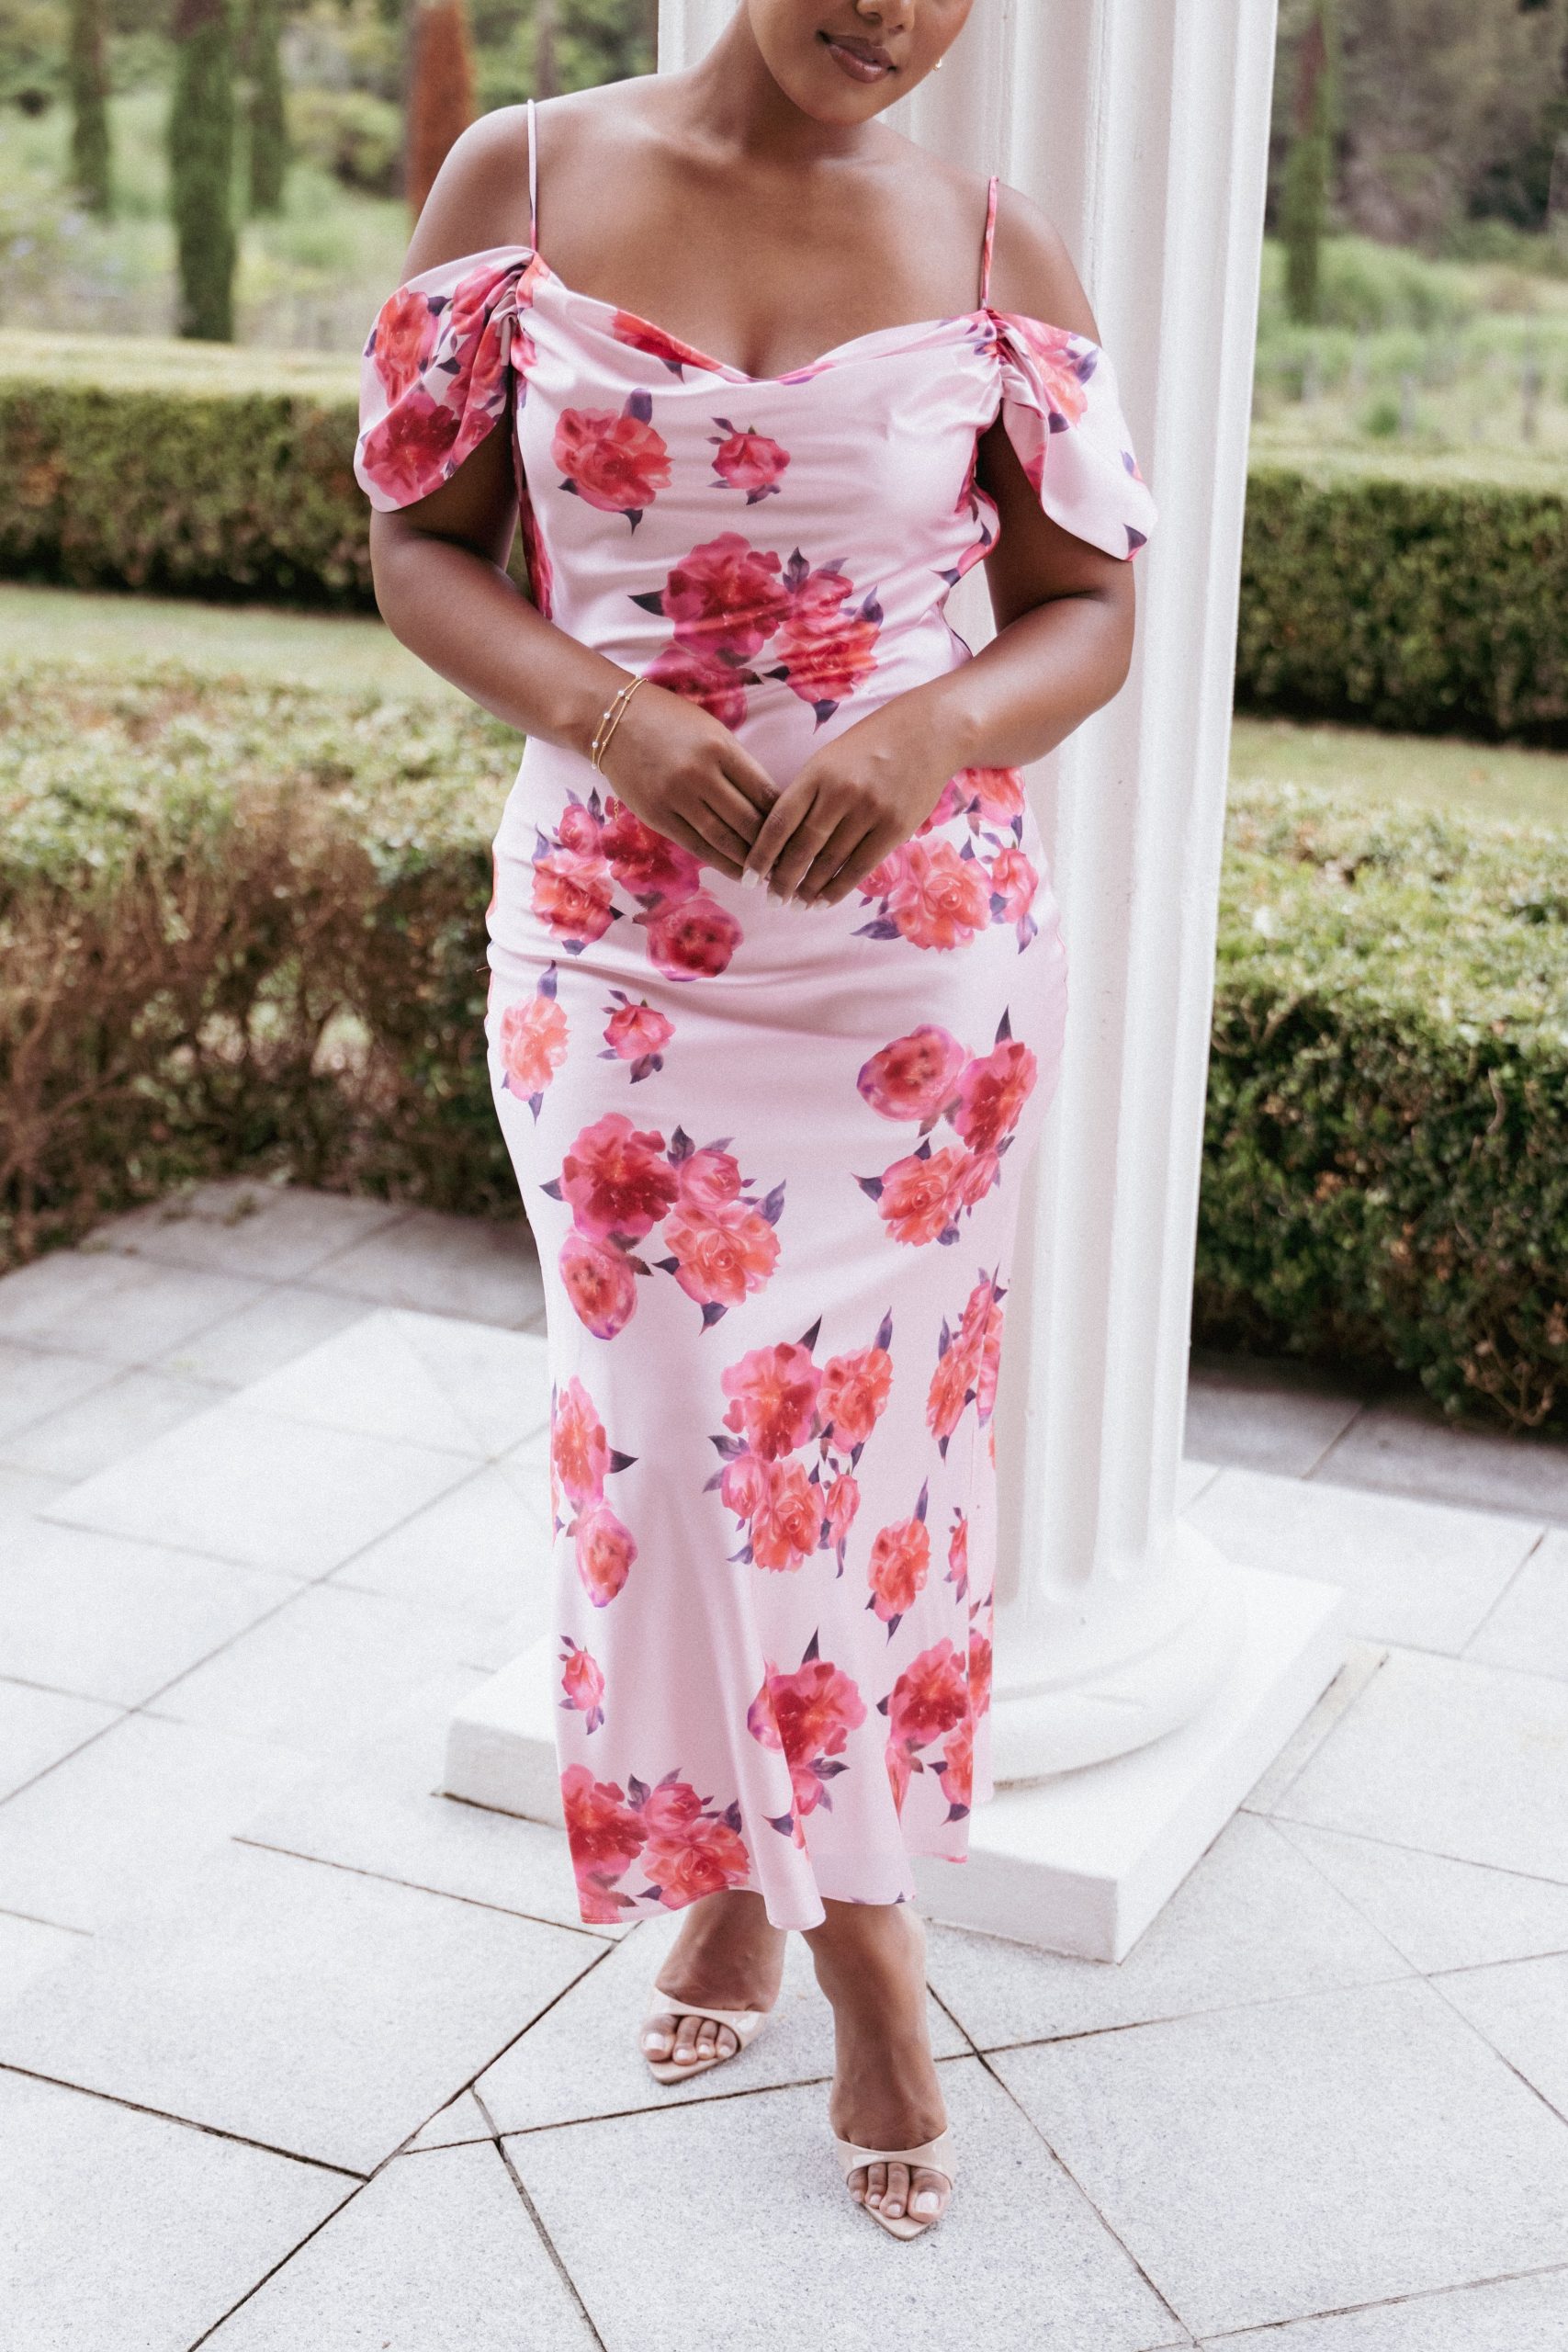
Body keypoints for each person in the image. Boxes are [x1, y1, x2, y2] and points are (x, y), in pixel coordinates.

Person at [355, 0, 1155, 2241]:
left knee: (854, 1466)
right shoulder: (521, 180)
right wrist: (610, 713)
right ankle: (856, 1931)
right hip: (612, 957)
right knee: (679, 1440)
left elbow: (1086, 609)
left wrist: (931, 729)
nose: (886, 8)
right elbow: (419, 548)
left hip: (912, 976)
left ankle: (769, 1899)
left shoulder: (994, 242)